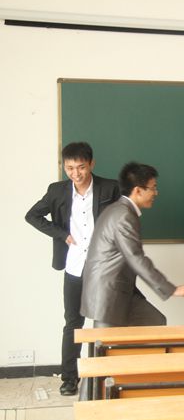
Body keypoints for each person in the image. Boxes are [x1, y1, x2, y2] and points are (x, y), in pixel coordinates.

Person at [25, 142, 120, 396]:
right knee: (73, 324)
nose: (76, 173)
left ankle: (109, 375)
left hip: (105, 268)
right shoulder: (57, 191)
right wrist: (62, 234)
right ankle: (69, 378)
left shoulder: (110, 188)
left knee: (108, 322)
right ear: (64, 167)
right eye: (70, 168)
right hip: (75, 266)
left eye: (81, 167)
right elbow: (32, 215)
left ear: (91, 164)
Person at [80, 162, 184, 328]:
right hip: (108, 292)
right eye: (153, 188)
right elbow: (136, 258)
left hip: (118, 289)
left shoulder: (118, 209)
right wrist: (170, 289)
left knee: (155, 321)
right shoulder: (124, 215)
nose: (156, 193)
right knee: (105, 342)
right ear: (138, 190)